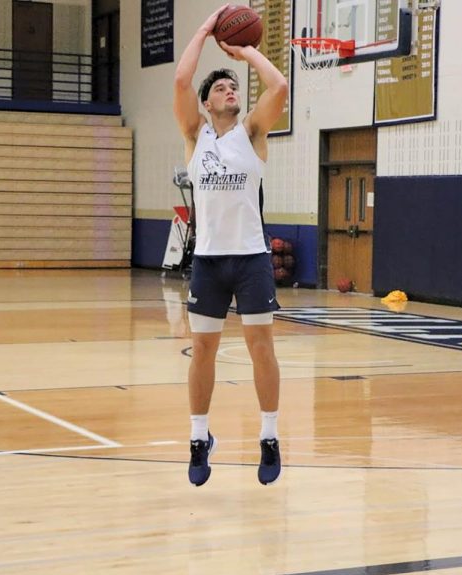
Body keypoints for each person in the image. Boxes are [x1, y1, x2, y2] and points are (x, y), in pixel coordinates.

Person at [173, 5, 289, 486]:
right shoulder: (194, 135)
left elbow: (278, 88)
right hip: (208, 260)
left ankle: (269, 435)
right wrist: (204, 30)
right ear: (206, 103)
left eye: (234, 86)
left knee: (262, 346)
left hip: (251, 258)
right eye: (221, 87)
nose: (230, 90)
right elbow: (181, 82)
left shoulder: (252, 134)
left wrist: (246, 51)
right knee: (203, 350)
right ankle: (200, 437)